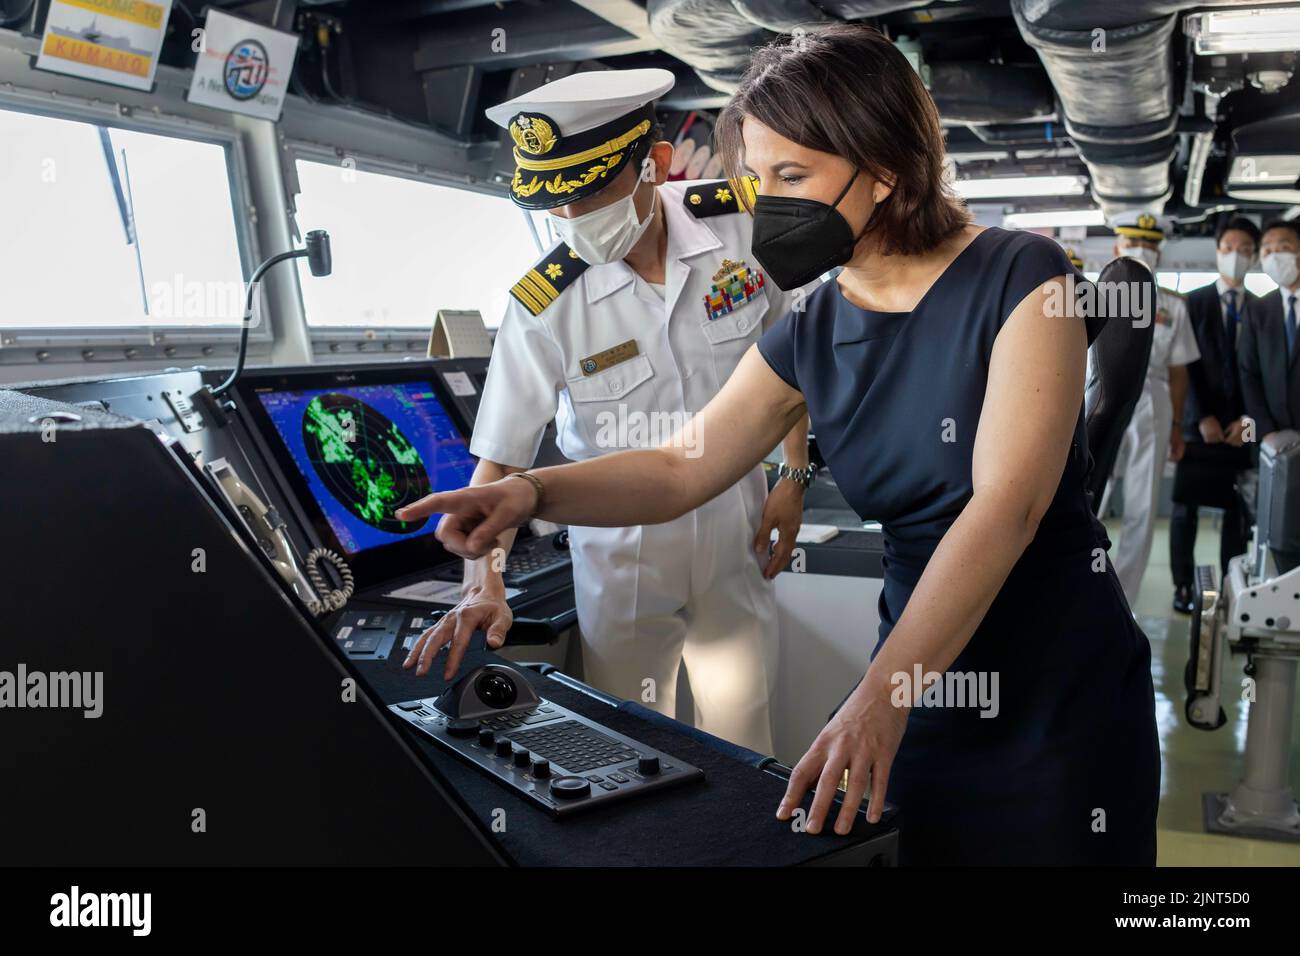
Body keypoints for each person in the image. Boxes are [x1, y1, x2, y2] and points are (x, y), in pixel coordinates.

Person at [398, 25, 1159, 866]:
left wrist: (878, 698)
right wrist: (532, 492)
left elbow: (1005, 508)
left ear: (883, 168)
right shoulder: (815, 326)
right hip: (917, 678)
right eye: (755, 178)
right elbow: (681, 465)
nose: (765, 202)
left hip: (1048, 683)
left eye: (792, 176)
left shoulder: (1023, 274)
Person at [402, 68, 815, 755]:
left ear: (652, 165)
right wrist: (485, 585)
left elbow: (786, 364)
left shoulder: (741, 225)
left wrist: (792, 479)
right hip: (620, 554)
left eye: (587, 194)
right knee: (630, 751)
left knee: (747, 741)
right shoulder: (543, 305)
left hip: (734, 533)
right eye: (550, 204)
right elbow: (498, 466)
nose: (569, 221)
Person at [1105, 212, 1199, 609]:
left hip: (1153, 399)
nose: (1141, 251)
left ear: (1159, 253)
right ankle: (1081, 582)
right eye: (1132, 243)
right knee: (1091, 490)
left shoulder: (1173, 305)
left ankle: (1123, 598)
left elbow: (1179, 371)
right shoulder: (1095, 295)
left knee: (1143, 503)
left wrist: (1177, 424)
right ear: (1116, 249)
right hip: (1100, 398)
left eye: (1150, 245)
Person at [1171, 216, 1261, 612]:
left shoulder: (1262, 310)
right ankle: (1182, 587)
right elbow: (1184, 365)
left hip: (1242, 427)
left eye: (1244, 249)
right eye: (1229, 248)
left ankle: (1231, 584)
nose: (1235, 256)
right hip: (1197, 426)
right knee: (1184, 507)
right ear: (1217, 251)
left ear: (1254, 256)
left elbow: (1265, 372)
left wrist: (1249, 420)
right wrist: (1200, 415)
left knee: (1237, 510)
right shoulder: (1194, 302)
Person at [1239, 220, 1300, 442]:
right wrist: (1264, 431)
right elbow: (1248, 372)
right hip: (1271, 436)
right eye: (1267, 250)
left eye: (1284, 248)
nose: (1275, 256)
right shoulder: (1257, 309)